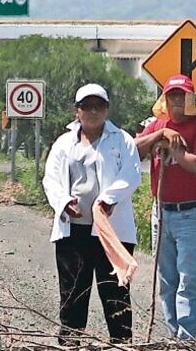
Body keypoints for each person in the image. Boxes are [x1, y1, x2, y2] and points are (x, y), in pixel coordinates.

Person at [42, 84, 141, 346]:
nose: (93, 112)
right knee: (73, 293)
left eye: (99, 106)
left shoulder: (122, 140)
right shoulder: (64, 143)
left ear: (107, 110)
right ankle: (71, 342)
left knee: (115, 293)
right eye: (87, 106)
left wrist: (109, 200)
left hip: (111, 231)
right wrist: (63, 203)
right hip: (73, 231)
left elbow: (131, 175)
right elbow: (51, 179)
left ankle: (121, 343)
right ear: (77, 111)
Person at [135, 75, 196, 342]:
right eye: (172, 95)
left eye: (183, 95)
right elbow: (132, 150)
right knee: (167, 279)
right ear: (165, 99)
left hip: (191, 214)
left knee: (189, 279)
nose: (177, 100)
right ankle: (173, 335)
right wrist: (160, 135)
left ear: (192, 99)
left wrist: (174, 149)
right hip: (161, 211)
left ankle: (186, 339)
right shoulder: (156, 125)